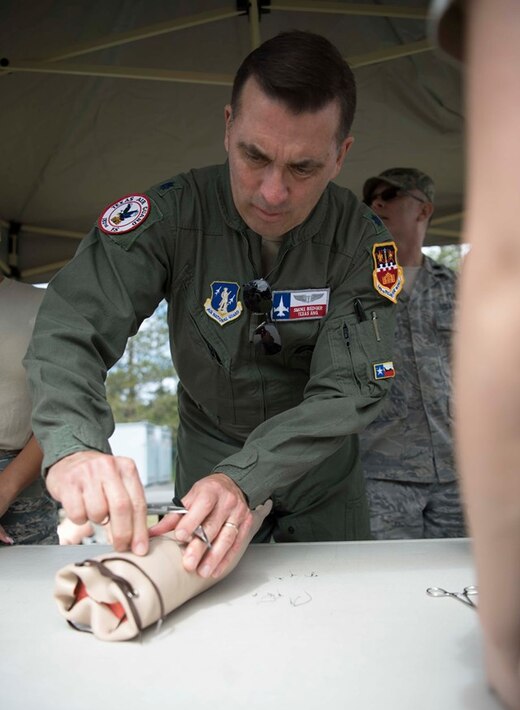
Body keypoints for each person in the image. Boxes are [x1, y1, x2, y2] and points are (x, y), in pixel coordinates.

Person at [24, 31, 402, 579]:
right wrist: (75, 445)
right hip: (207, 464)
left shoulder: (363, 241)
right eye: (255, 156)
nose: (272, 193)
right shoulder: (168, 217)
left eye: (303, 168)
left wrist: (245, 479)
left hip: (320, 473)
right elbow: (70, 325)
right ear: (228, 127)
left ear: (341, 156)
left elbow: (352, 387)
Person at [431, 0, 520, 710]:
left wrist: (511, 639)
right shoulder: (363, 283)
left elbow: (511, 264)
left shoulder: (440, 285)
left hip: (452, 476)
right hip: (397, 478)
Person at [359, 167, 464, 539]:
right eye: (373, 197)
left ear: (423, 210)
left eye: (391, 195)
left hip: (459, 474)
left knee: (465, 586)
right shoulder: (353, 289)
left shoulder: (457, 288)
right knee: (391, 587)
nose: (377, 202)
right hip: (383, 473)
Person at [0, 273, 59, 545]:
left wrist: (5, 488)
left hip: (23, 485)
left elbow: (62, 411)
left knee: (33, 586)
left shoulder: (44, 305)